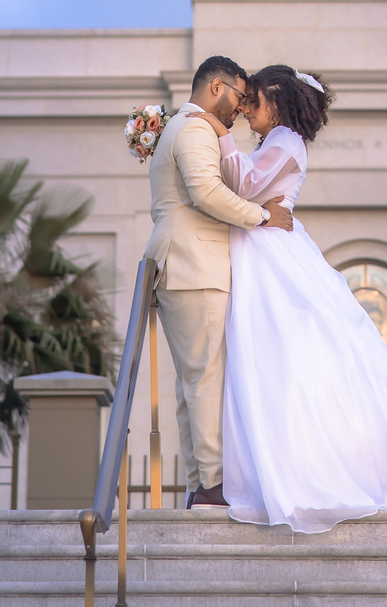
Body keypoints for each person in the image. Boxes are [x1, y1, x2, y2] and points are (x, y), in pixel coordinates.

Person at [195, 63, 387, 533]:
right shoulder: (274, 141)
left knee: (272, 358)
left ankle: (276, 474)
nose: (245, 111)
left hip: (270, 252)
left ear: (277, 102)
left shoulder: (285, 141)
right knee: (258, 362)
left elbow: (242, 185)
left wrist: (216, 130)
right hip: (260, 242)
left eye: (253, 101)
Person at [143, 55, 293, 507]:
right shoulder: (193, 129)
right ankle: (211, 486)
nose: (240, 108)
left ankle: (200, 483)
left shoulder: (185, 128)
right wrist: (264, 216)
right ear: (216, 87)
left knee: (194, 382)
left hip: (185, 266)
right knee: (205, 379)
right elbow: (206, 192)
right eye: (239, 96)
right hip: (194, 266)